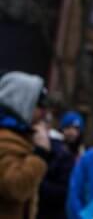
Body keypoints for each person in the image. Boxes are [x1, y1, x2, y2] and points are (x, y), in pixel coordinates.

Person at [0, 71, 50, 219]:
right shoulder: (5, 139)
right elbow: (16, 188)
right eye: (40, 105)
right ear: (21, 103)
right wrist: (40, 153)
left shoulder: (19, 137)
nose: (44, 112)